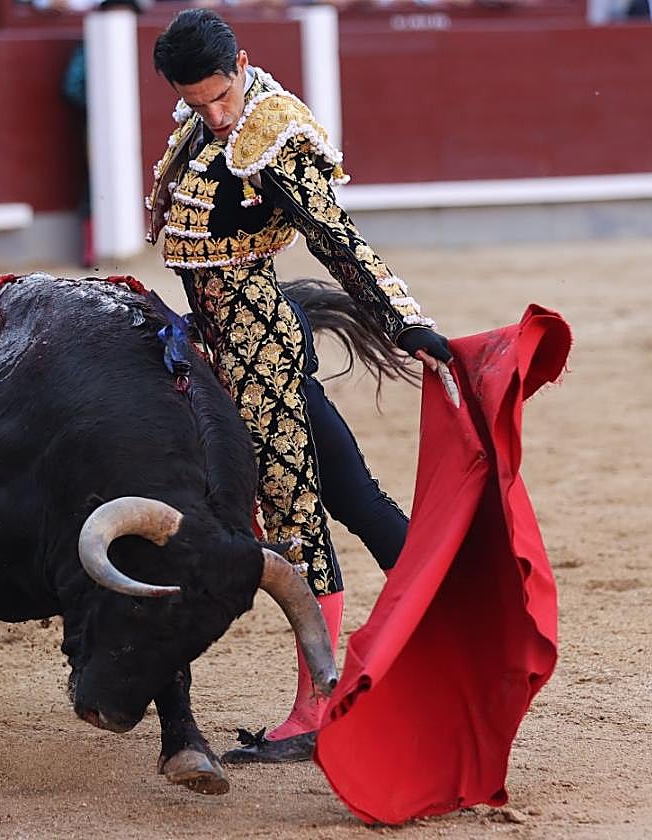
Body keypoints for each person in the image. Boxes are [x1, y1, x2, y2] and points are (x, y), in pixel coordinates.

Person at [147, 9, 452, 763]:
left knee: (296, 521)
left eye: (221, 97)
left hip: (262, 359)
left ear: (243, 63)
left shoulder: (272, 131)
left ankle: (316, 709)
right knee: (354, 496)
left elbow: (338, 240)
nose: (215, 116)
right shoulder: (200, 126)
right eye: (198, 102)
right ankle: (455, 619)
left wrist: (407, 323)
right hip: (237, 350)